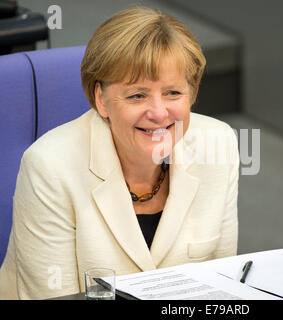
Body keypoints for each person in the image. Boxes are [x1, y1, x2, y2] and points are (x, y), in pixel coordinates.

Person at [0, 7, 239, 299]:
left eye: (173, 93)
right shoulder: (49, 167)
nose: (159, 112)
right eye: (137, 95)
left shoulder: (219, 144)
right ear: (101, 100)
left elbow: (226, 283)